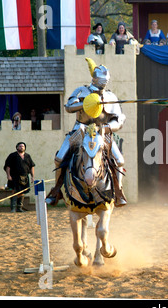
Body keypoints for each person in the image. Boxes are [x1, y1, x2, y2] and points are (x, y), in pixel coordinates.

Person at [45, 57, 127, 207]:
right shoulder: (81, 91)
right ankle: (56, 190)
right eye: (101, 80)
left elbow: (119, 120)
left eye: (105, 81)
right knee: (59, 157)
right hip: (80, 129)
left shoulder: (110, 96)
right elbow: (69, 107)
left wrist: (106, 128)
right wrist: (86, 103)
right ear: (95, 79)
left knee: (119, 160)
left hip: (102, 132)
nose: (103, 83)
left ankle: (118, 190)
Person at [4, 142, 35, 212]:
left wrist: (32, 177)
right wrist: (8, 175)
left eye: (23, 146)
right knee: (14, 191)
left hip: (24, 177)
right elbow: (7, 166)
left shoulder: (27, 156)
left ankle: (19, 208)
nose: (21, 147)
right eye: (20, 146)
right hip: (14, 176)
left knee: (22, 191)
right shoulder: (12, 155)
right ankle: (13, 208)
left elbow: (32, 166)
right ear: (17, 147)